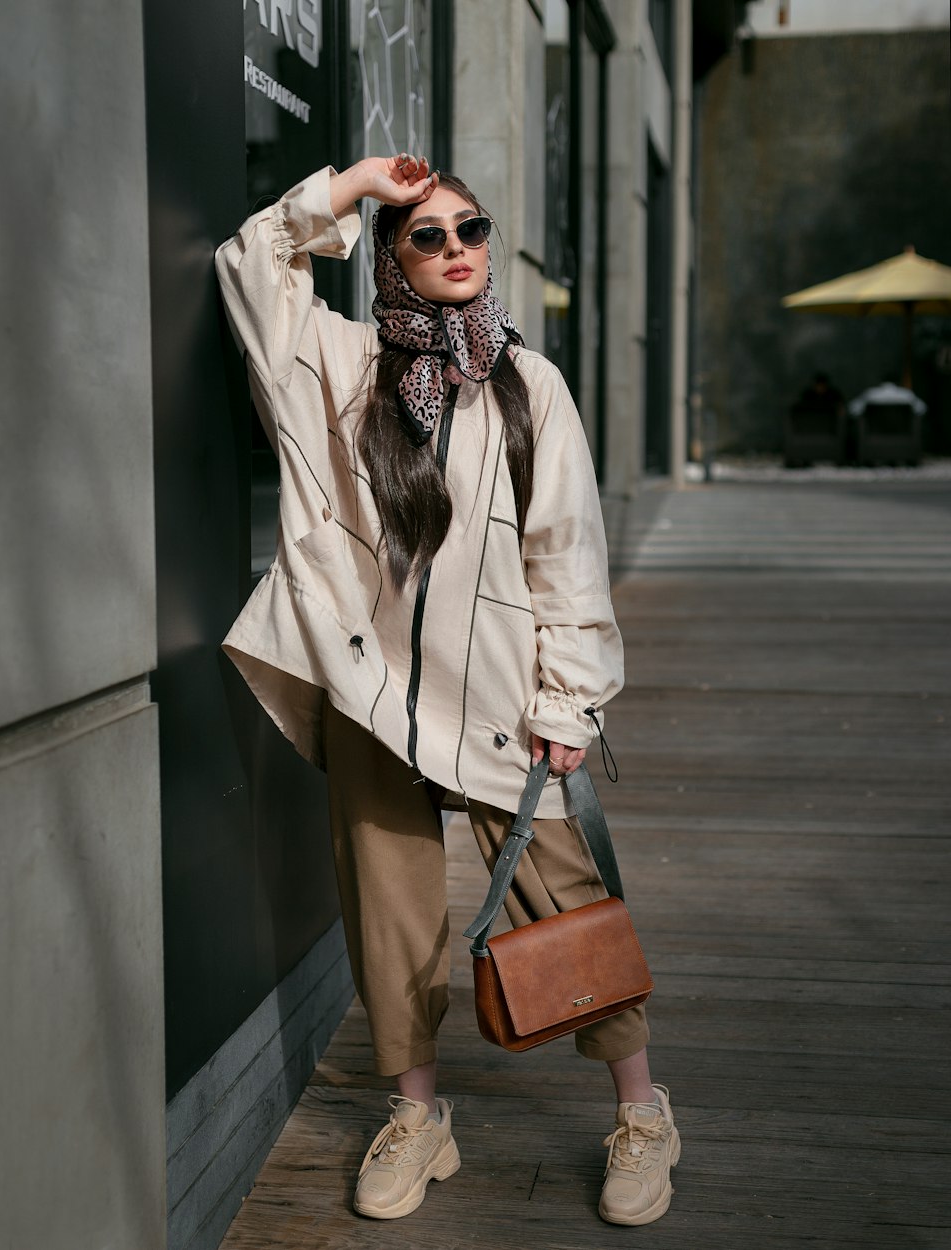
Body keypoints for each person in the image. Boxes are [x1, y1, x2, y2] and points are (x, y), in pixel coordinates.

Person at [215, 153, 678, 1227]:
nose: (456, 247)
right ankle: (419, 1117)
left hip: (507, 703)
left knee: (566, 902)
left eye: (470, 228)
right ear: (390, 255)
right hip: (372, 696)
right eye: (426, 234)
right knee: (391, 916)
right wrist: (362, 179)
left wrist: (567, 703)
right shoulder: (337, 364)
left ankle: (643, 1109)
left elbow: (567, 551)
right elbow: (251, 261)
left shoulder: (530, 384)